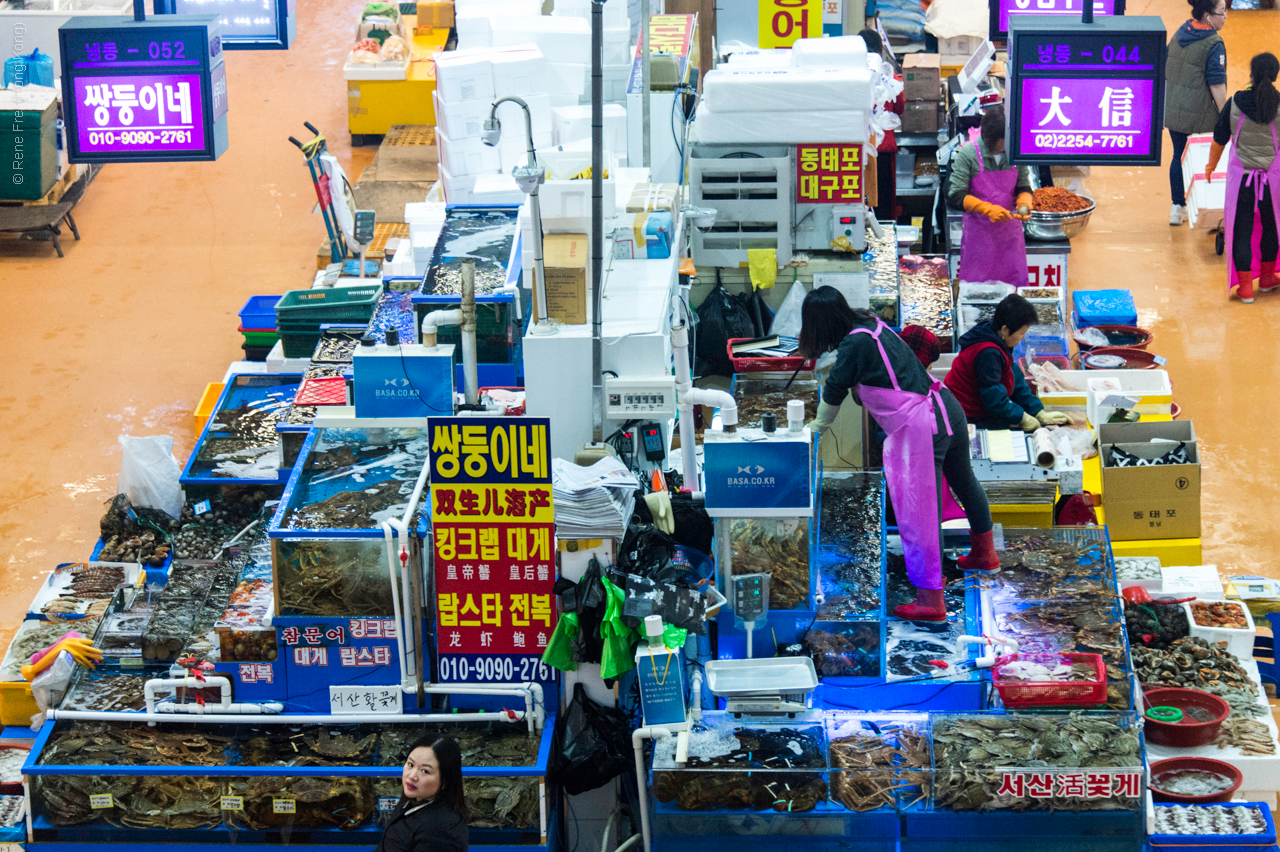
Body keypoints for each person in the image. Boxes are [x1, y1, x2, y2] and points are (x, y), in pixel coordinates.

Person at [801, 287, 999, 623]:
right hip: (946, 406)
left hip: (922, 425)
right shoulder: (870, 324)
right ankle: (985, 554)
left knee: (920, 512)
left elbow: (834, 388)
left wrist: (812, 431)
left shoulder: (853, 344)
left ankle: (930, 601)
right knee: (964, 480)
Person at [1207, 52, 1280, 302]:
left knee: (1241, 230)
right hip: (1273, 182)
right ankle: (1268, 278)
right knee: (1273, 226)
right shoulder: (1279, 104)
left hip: (1242, 182)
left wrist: (1210, 166)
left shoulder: (1235, 102)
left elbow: (1219, 137)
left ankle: (1246, 288)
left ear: (1252, 73)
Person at [945, 294, 1072, 432]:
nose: (1023, 337)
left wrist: (1038, 412)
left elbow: (1013, 376)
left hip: (982, 404)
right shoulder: (988, 354)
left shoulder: (997, 336)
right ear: (1005, 329)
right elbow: (993, 399)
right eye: (1021, 333)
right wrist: (1022, 418)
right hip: (966, 414)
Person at [947, 106, 1034, 288]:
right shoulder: (968, 154)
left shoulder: (1015, 151)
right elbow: (955, 194)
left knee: (1014, 292)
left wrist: (1024, 203)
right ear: (987, 137)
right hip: (980, 241)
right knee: (978, 293)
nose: (1003, 148)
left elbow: (1023, 185)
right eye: (1000, 144)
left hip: (1011, 238)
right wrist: (986, 208)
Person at [1164, 0, 1228, 227]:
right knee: (1206, 159)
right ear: (1207, 15)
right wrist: (1226, 116)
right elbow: (1217, 84)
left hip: (1173, 110)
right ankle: (1205, 210)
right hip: (1200, 116)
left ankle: (1176, 207)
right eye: (1221, 12)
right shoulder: (1213, 43)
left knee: (1178, 155)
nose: (1225, 17)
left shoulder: (1182, 31)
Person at [376, 735, 470, 852]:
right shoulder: (413, 797)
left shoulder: (440, 832)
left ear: (445, 781)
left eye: (425, 771)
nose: (412, 776)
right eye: (410, 764)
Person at [861, 28, 905, 223]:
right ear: (880, 51)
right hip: (884, 150)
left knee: (861, 201)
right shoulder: (888, 76)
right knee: (884, 207)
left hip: (858, 150)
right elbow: (900, 107)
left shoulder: (854, 74)